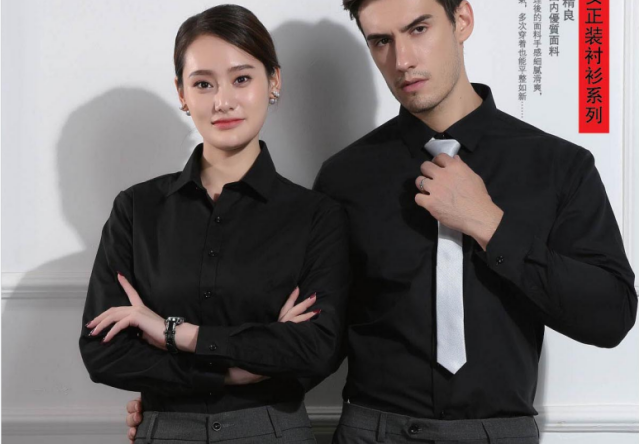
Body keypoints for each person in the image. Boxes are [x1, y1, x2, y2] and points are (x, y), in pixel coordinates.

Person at [126, 1, 638, 443]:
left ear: (461, 19)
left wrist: (490, 225)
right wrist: (181, 407)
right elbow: (314, 341)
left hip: (499, 431)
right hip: (372, 431)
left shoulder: (558, 166)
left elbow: (611, 317)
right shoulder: (344, 178)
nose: (403, 60)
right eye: (380, 41)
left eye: (419, 29)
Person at [79, 4, 350, 444]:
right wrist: (237, 370)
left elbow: (317, 349)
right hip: (165, 431)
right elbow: (103, 352)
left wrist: (172, 333)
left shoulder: (317, 215)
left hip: (273, 431)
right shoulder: (136, 208)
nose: (223, 101)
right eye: (203, 83)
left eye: (241, 79)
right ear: (182, 93)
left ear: (273, 81)